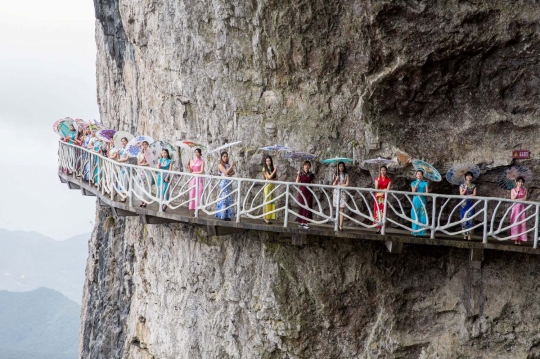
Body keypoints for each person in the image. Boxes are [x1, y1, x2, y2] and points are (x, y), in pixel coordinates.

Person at [215, 152, 235, 221]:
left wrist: (229, 173)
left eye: (226, 156)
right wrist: (231, 167)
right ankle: (222, 215)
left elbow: (233, 172)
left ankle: (228, 215)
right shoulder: (220, 165)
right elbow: (226, 172)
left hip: (229, 183)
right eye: (224, 156)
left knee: (228, 198)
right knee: (224, 198)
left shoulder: (228, 164)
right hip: (224, 183)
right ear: (221, 157)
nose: (225, 158)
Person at [296, 161, 315, 229]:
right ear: (303, 166)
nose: (306, 166)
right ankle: (301, 222)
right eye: (305, 165)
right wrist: (298, 175)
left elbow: (314, 183)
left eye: (308, 165)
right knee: (302, 206)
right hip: (302, 191)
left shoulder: (311, 174)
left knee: (308, 206)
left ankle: (306, 222)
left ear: (310, 166)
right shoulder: (300, 173)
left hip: (308, 192)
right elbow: (297, 182)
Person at [374, 166, 392, 234]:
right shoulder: (377, 178)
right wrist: (377, 181)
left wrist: (383, 190)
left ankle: (382, 227)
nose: (383, 172)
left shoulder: (389, 180)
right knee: (377, 211)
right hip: (378, 197)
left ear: (386, 171)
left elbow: (388, 189)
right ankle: (378, 227)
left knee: (384, 211)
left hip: (384, 197)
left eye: (384, 170)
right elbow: (376, 189)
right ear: (380, 171)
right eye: (382, 170)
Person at [510, 176, 528, 245]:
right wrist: (517, 194)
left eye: (521, 182)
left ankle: (520, 239)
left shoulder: (525, 190)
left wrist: (518, 200)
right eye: (519, 182)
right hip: (515, 208)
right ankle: (515, 239)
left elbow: (524, 199)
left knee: (521, 222)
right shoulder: (513, 190)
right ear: (516, 182)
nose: (520, 183)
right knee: (515, 221)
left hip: (522, 207)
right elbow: (512, 199)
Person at [459, 171, 477, 240]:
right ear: (465, 177)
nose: (469, 177)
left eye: (470, 176)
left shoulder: (473, 185)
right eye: (467, 176)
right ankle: (464, 235)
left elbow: (474, 194)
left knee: (471, 218)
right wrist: (465, 188)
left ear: (472, 177)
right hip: (463, 204)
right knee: (464, 218)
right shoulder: (462, 185)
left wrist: (469, 195)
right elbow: (461, 194)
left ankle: (469, 235)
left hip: (470, 203)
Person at [411, 170, 429, 237]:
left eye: (420, 174)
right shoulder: (413, 183)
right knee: (415, 214)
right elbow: (413, 192)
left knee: (422, 215)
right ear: (416, 175)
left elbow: (427, 193)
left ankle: (422, 231)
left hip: (422, 199)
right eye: (418, 174)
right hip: (415, 199)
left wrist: (423, 193)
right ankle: (415, 231)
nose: (419, 175)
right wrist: (415, 186)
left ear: (422, 175)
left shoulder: (425, 183)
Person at [332, 161, 349, 231]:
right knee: (337, 209)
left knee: (342, 209)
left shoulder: (346, 175)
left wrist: (340, 185)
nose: (341, 167)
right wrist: (336, 180)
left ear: (344, 167)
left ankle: (341, 226)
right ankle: (336, 224)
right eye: (339, 166)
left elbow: (347, 184)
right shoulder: (335, 174)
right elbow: (333, 185)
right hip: (336, 192)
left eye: (342, 166)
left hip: (342, 192)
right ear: (338, 167)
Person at [188, 148, 205, 215]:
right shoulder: (192, 161)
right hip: (193, 179)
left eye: (197, 152)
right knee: (193, 193)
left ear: (200, 153)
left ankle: (197, 210)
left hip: (198, 178)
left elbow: (201, 171)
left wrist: (194, 173)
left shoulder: (202, 162)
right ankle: (194, 209)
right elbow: (191, 171)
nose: (196, 153)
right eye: (195, 152)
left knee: (199, 193)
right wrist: (188, 165)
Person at [262, 156, 278, 224]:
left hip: (272, 186)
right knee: (267, 202)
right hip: (267, 187)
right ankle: (266, 218)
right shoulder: (264, 168)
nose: (268, 162)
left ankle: (269, 217)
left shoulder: (272, 168)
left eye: (269, 160)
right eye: (266, 161)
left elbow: (277, 178)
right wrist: (274, 171)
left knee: (271, 202)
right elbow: (268, 177)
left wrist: (275, 170)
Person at [136, 141, 152, 208]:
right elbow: (138, 163)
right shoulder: (139, 153)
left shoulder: (149, 153)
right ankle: (141, 200)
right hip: (140, 170)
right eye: (143, 145)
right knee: (141, 185)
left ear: (147, 145)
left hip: (146, 170)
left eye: (146, 144)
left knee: (146, 185)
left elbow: (149, 163)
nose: (144, 146)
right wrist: (143, 159)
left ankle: (145, 201)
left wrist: (144, 162)